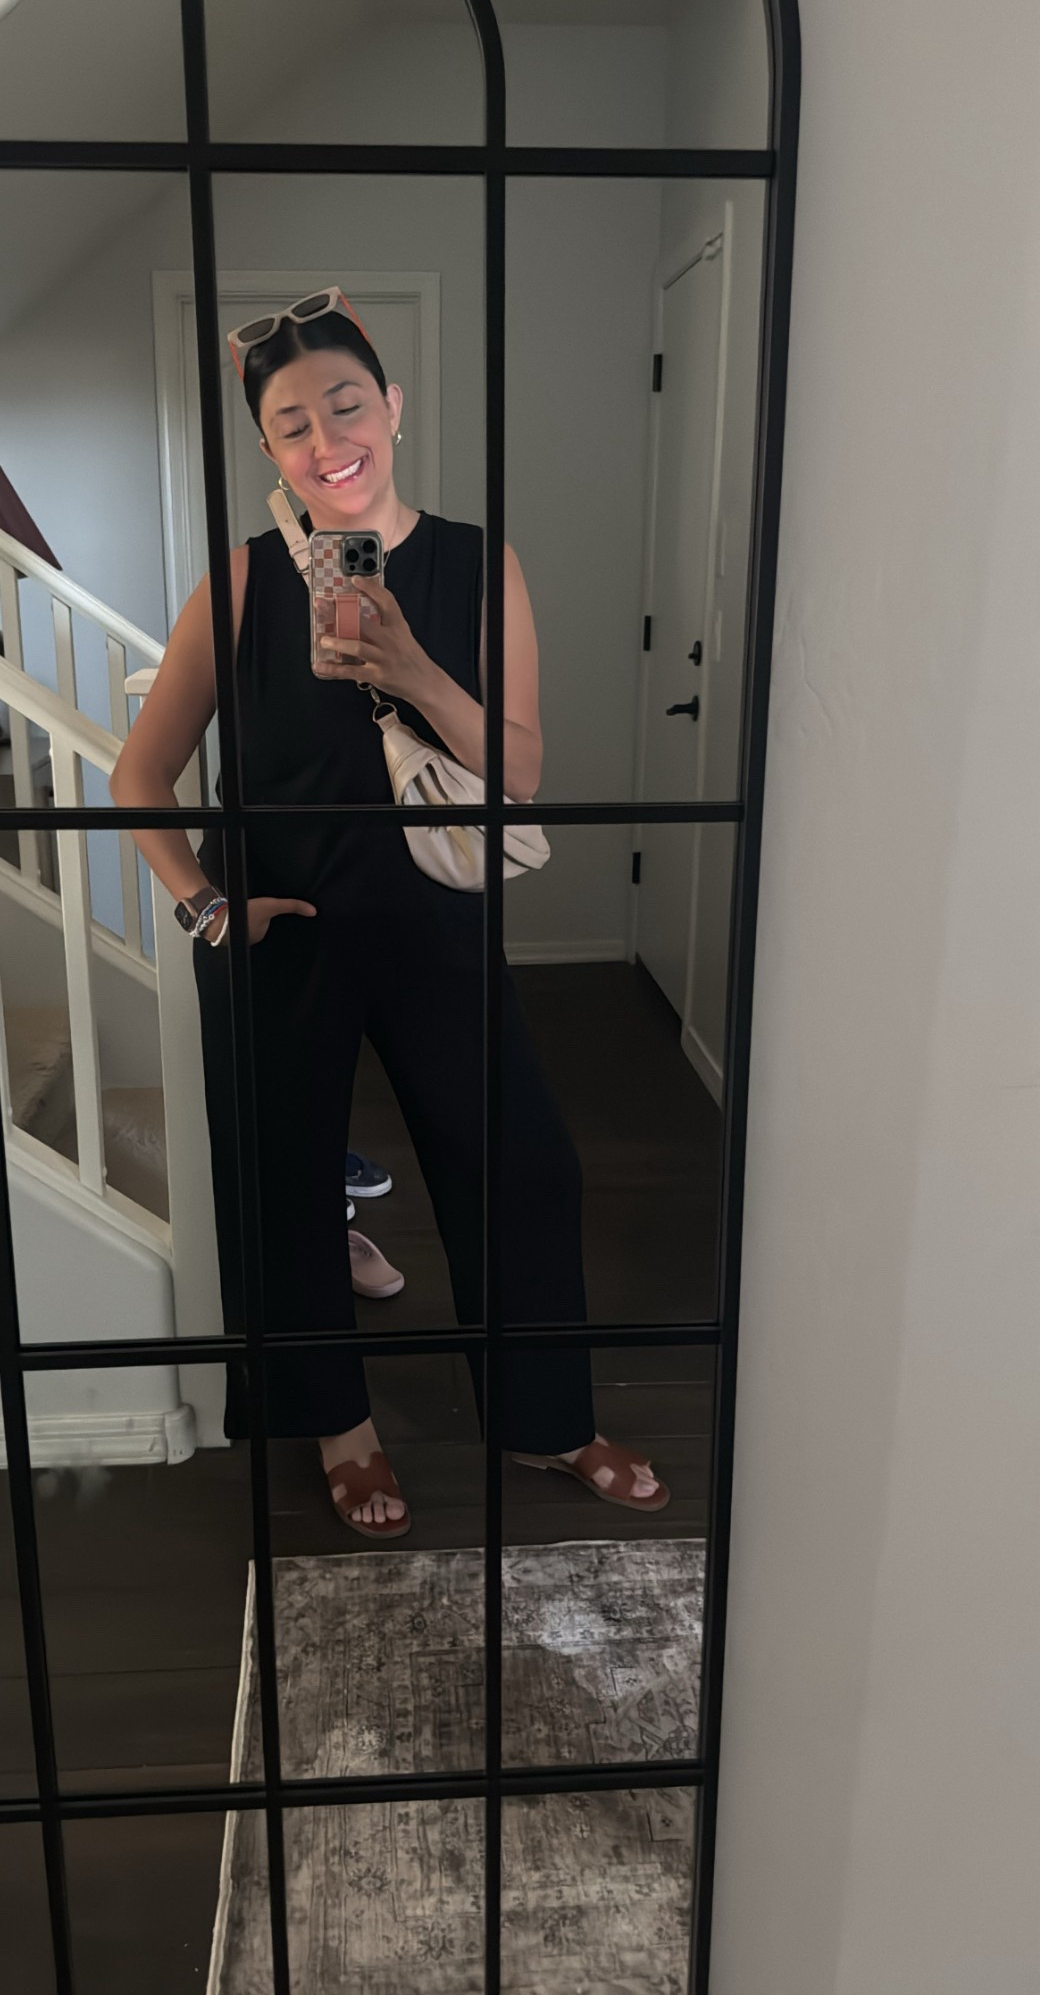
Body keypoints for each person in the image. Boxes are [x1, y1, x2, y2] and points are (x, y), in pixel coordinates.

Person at [109, 287, 670, 1539]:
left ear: (394, 409)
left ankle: (547, 1418)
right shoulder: (240, 583)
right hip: (280, 932)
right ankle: (342, 1430)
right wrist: (206, 909)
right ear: (270, 449)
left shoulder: (477, 564)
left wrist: (408, 664)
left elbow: (520, 769)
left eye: (347, 405)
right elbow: (139, 774)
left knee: (523, 1164)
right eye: (293, 424)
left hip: (437, 922)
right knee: (286, 1185)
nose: (328, 441)